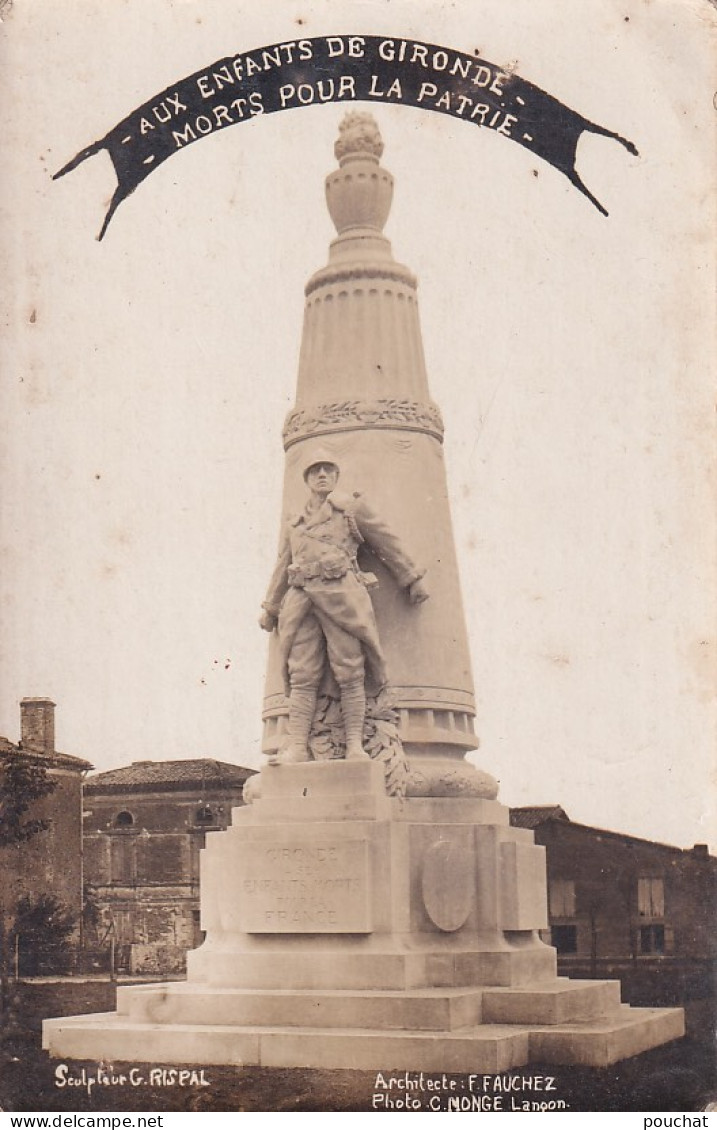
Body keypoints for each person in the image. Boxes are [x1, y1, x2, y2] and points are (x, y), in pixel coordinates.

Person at [260, 455, 428, 764]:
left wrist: (411, 578)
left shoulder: (350, 509)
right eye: (315, 470)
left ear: (336, 476)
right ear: (307, 478)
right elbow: (283, 564)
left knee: (350, 671)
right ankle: (297, 746)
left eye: (328, 470)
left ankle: (354, 745)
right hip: (301, 601)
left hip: (343, 596)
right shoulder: (295, 521)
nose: (322, 475)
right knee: (301, 675)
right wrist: (270, 606)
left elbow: (386, 541)